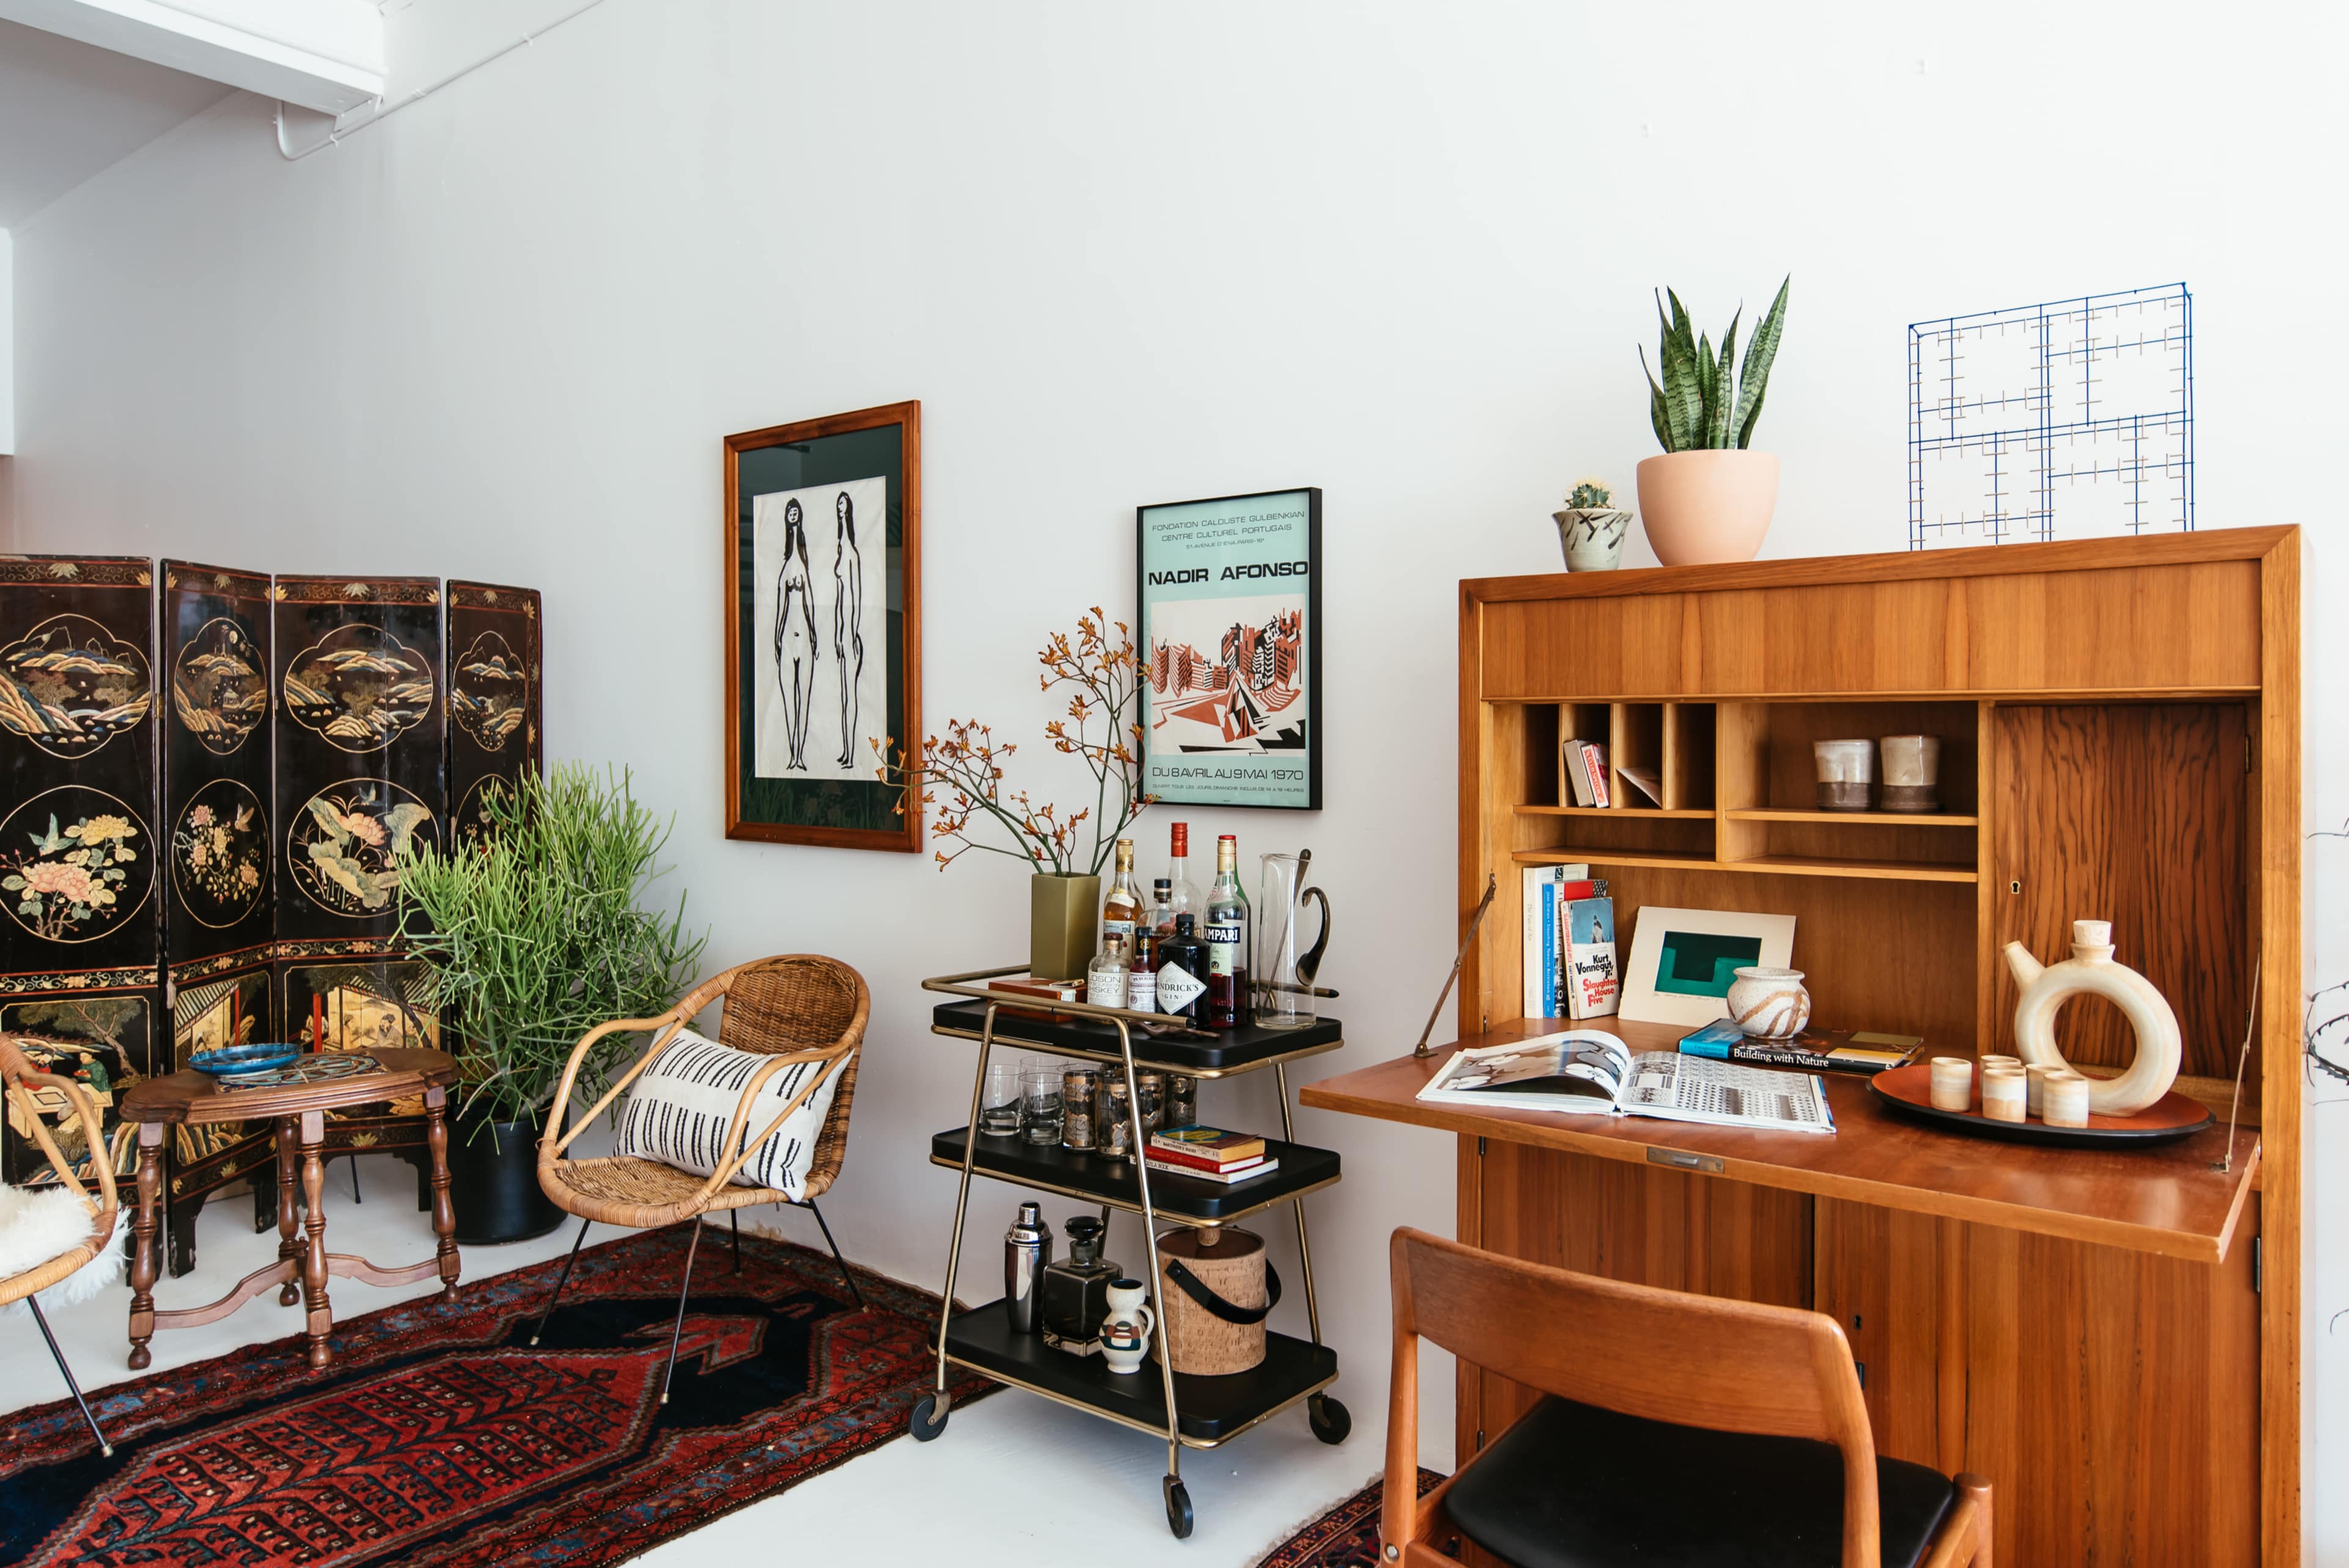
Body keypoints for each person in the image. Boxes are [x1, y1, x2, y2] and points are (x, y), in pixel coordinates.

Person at [774, 498, 818, 769]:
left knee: (804, 700)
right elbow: (781, 607)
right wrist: (776, 639)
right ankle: (793, 755)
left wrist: (814, 634)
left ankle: (800, 755)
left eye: (796, 511)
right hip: (787, 641)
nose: (793, 514)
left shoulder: (802, 566)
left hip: (805, 641)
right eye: (789, 511)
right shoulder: (786, 568)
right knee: (789, 703)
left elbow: (809, 602)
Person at [831, 489, 864, 767]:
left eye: (843, 504)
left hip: (851, 635)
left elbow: (856, 597)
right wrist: (837, 634)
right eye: (838, 504)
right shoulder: (842, 551)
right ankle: (846, 750)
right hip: (843, 634)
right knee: (843, 697)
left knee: (850, 696)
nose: (839, 507)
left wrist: (850, 634)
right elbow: (839, 600)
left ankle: (852, 754)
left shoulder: (851, 553)